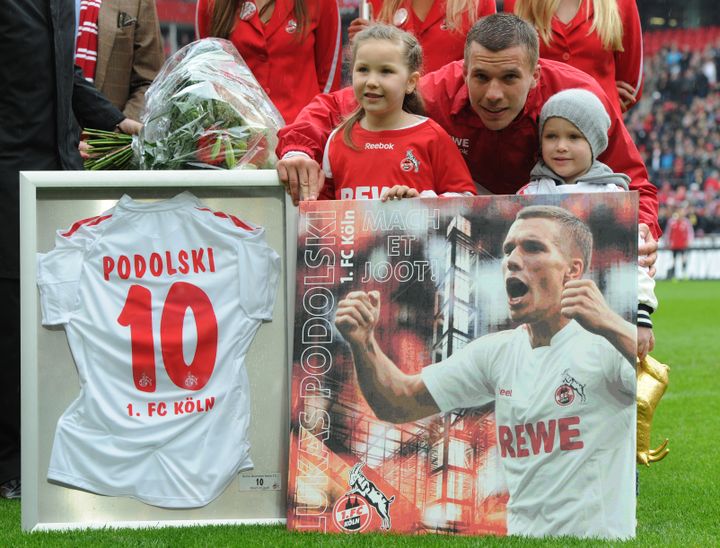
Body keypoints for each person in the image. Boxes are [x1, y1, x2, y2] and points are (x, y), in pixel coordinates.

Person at [334, 205, 637, 539]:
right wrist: (363, 344)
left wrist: (610, 322)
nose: (512, 259)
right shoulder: (496, 352)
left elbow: (656, 383)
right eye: (509, 250)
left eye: (533, 248)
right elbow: (398, 402)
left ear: (572, 270)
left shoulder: (608, 347)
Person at [275, 13, 661, 260]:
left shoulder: (578, 98)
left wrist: (643, 231)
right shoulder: (437, 91)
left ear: (536, 75)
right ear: (464, 69)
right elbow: (334, 107)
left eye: (510, 78)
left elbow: (636, 183)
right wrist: (297, 149)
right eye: (481, 77)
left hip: (556, 237)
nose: (493, 94)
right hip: (471, 236)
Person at [0, 0, 139, 500]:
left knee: (54, 315)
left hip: (56, 178)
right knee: (12, 324)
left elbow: (65, 78)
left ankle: (44, 444)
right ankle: (10, 463)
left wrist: (123, 123)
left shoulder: (59, 3)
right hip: (8, 178)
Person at [517, 88, 657, 359]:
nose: (560, 146)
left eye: (574, 137)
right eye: (551, 136)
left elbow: (635, 265)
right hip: (543, 327)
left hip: (604, 318)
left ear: (594, 141)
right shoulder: (525, 196)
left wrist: (641, 317)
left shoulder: (615, 197)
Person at [320, 24, 476, 201]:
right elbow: (318, 215)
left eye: (386, 71)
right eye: (363, 69)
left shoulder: (433, 136)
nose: (371, 81)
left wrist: (423, 202)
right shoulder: (337, 140)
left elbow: (467, 200)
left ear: (411, 82)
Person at [195, 0, 342, 124]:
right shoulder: (209, 3)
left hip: (303, 139)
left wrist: (313, 132)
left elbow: (329, 80)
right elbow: (208, 76)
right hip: (240, 140)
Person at [506, 0, 643, 113]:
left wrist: (606, 98)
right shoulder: (517, 2)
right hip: (534, 131)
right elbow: (506, 71)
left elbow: (632, 83)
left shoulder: (621, 3)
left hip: (599, 133)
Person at [347, 0, 496, 74]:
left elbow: (488, 64)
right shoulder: (380, 3)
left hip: (453, 117)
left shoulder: (477, 3)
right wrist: (368, 41)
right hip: (394, 112)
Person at [75, 0, 165, 120]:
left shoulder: (138, 3)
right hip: (49, 131)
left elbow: (150, 81)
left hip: (109, 134)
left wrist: (119, 129)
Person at [664, 209, 694, 280]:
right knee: (674, 261)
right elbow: (668, 233)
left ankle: (684, 274)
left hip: (683, 244)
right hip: (674, 245)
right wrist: (667, 242)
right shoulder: (672, 222)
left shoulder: (686, 222)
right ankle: (674, 275)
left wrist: (689, 241)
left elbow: (690, 232)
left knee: (683, 259)